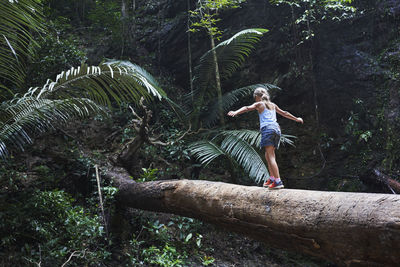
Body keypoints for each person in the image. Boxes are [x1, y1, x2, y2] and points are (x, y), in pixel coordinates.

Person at [227, 87, 303, 189]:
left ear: (257, 97)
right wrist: (296, 119)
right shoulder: (273, 105)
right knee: (268, 155)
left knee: (270, 156)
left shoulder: (259, 104)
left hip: (268, 130)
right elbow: (285, 113)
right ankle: (272, 178)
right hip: (276, 130)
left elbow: (246, 108)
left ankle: (278, 181)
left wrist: (235, 112)